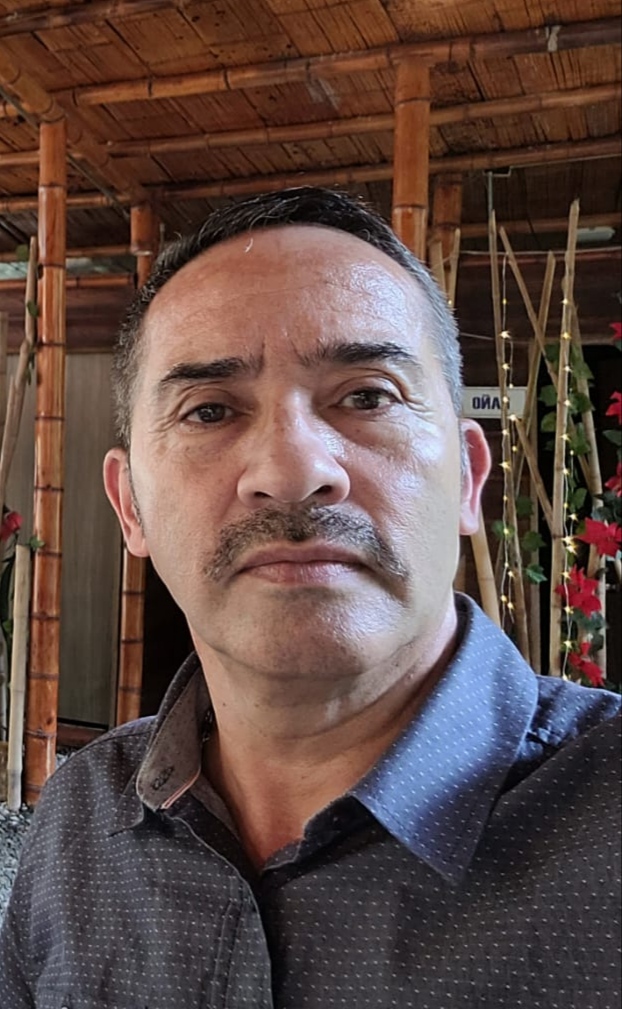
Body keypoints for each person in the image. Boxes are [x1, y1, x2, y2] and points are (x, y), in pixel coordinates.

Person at [1, 187, 619, 1009]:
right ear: (130, 508)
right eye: (209, 410)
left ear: (471, 479)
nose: (292, 471)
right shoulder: (80, 819)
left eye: (367, 395)